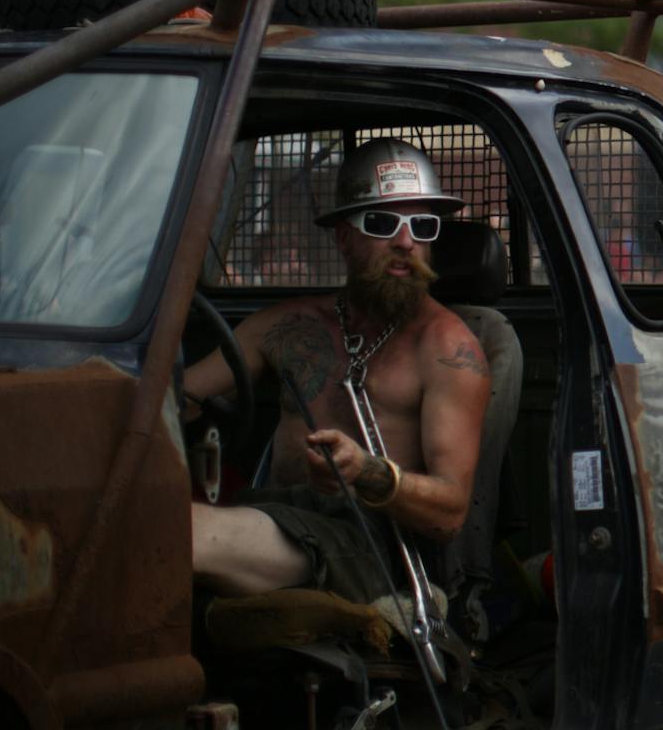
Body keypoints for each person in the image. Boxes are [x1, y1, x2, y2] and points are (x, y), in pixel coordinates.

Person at [184, 140, 492, 606]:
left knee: (180, 535)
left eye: (422, 225)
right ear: (344, 236)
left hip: (368, 545)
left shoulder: (449, 349)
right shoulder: (288, 327)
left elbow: (449, 512)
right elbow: (176, 398)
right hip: (272, 514)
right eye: (382, 223)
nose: (406, 241)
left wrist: (368, 472)